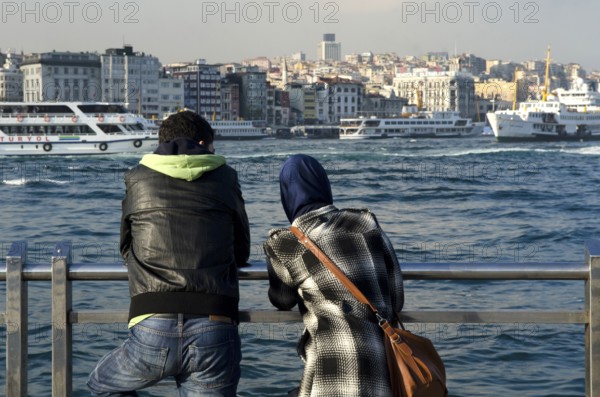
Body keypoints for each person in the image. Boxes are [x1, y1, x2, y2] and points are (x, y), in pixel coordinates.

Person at [88, 111, 250, 396]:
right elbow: (243, 250)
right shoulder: (226, 177)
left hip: (152, 321)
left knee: (103, 385)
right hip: (215, 321)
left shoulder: (137, 179)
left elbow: (126, 245)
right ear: (203, 142)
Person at [263, 154, 404, 396]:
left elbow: (282, 300)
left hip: (329, 366)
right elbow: (397, 298)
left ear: (286, 193)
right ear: (323, 184)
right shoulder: (367, 224)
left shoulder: (285, 243)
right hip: (382, 363)